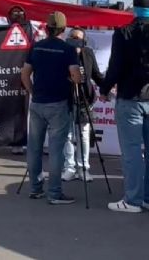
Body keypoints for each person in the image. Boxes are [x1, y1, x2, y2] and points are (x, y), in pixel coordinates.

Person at [100, 0, 149, 213]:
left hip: (130, 98)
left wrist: (104, 88)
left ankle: (132, 201)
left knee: (131, 152)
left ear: (134, 9)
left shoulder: (123, 33)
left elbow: (115, 67)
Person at [21, 12, 81, 204]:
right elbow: (76, 77)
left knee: (34, 148)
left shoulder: (36, 47)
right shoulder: (67, 49)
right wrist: (73, 78)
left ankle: (35, 188)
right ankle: (54, 193)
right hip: (58, 103)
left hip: (37, 103)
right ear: (64, 29)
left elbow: (24, 74)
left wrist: (32, 92)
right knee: (56, 150)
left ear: (46, 28)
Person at [61, 27, 104, 182]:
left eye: (78, 38)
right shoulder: (63, 52)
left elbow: (96, 74)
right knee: (68, 136)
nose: (75, 40)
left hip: (84, 99)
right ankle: (69, 167)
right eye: (72, 37)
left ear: (84, 40)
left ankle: (83, 168)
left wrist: (107, 88)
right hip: (67, 98)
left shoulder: (88, 53)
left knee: (84, 136)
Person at [7, 5, 35, 155]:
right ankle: (12, 141)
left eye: (20, 12)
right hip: (7, 75)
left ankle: (25, 141)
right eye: (14, 13)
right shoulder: (4, 31)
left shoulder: (30, 29)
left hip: (26, 74)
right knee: (12, 111)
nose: (17, 15)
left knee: (25, 111)